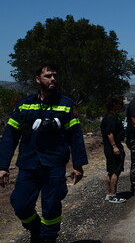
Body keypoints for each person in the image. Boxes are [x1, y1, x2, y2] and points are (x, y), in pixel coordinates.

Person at [0, 64, 88, 243]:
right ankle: (36, 229)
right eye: (48, 76)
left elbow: (76, 137)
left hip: (54, 166)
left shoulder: (66, 105)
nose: (53, 79)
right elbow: (9, 136)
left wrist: (78, 165)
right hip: (28, 164)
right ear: (38, 79)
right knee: (20, 204)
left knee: (51, 206)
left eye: (55, 75)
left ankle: (47, 238)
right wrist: (2, 166)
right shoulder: (24, 105)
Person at [100, 95, 126, 203]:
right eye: (120, 103)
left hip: (109, 147)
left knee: (111, 171)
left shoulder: (109, 116)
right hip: (113, 147)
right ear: (114, 104)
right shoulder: (111, 118)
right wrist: (115, 146)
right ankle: (113, 195)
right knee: (116, 171)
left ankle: (109, 194)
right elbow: (110, 133)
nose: (121, 106)